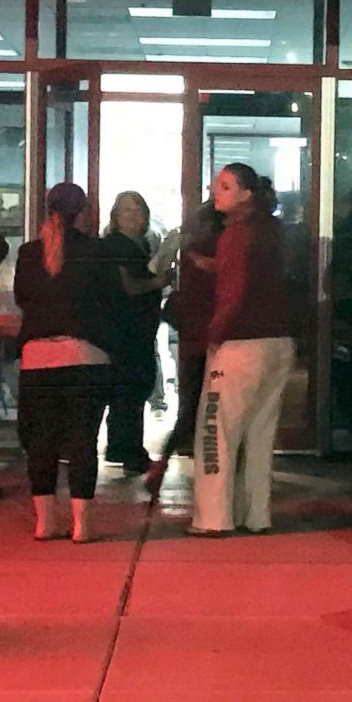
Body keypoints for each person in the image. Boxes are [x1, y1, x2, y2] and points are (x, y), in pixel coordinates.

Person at [188, 163, 294, 536]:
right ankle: (257, 514)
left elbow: (234, 293)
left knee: (216, 431)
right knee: (261, 434)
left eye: (227, 186)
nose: (217, 191)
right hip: (279, 342)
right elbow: (259, 277)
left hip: (241, 343)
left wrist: (213, 335)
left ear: (246, 194)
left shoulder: (235, 234)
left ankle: (213, 518)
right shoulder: (272, 231)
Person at [15, 183, 120, 542]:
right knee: (82, 440)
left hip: (37, 357)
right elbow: (112, 299)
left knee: (41, 440)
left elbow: (22, 298)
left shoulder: (29, 254)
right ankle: (83, 525)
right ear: (84, 212)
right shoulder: (97, 252)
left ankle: (45, 522)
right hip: (84, 354)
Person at [144, 198, 224, 499]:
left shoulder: (189, 251)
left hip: (193, 338)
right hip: (217, 339)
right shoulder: (219, 250)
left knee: (190, 407)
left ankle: (162, 462)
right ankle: (211, 467)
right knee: (213, 409)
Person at [102, 191, 172, 476]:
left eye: (138, 210)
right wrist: (157, 282)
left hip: (138, 330)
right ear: (116, 215)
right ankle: (129, 449)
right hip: (124, 331)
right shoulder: (117, 245)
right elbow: (127, 286)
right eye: (127, 210)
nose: (134, 216)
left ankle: (123, 446)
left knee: (132, 389)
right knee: (129, 389)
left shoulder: (139, 245)